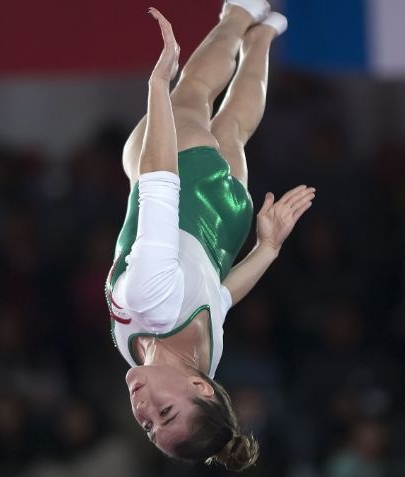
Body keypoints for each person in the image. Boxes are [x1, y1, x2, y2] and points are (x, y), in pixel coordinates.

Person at [105, 1, 315, 471]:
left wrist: (266, 249)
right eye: (165, 412)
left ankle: (261, 38)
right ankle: (240, 14)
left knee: (234, 131)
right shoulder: (148, 307)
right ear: (200, 389)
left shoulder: (205, 360)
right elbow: (158, 184)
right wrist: (161, 90)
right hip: (182, 182)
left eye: (149, 426)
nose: (144, 411)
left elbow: (219, 297)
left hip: (228, 225)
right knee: (193, 92)